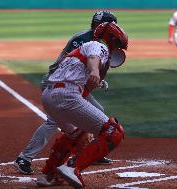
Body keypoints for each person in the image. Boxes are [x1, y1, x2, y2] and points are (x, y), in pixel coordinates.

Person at [14, 11, 117, 175]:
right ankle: (24, 158)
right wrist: (93, 73)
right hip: (57, 82)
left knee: (98, 111)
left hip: (72, 85)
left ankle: (92, 151)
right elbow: (70, 64)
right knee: (53, 121)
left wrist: (96, 78)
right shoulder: (84, 38)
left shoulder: (97, 40)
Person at [36, 22, 128, 188]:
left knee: (75, 134)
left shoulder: (81, 50)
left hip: (49, 96)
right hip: (66, 95)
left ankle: (47, 175)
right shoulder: (98, 45)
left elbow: (84, 91)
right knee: (113, 132)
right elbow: (94, 57)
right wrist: (94, 70)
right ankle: (72, 168)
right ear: (112, 40)